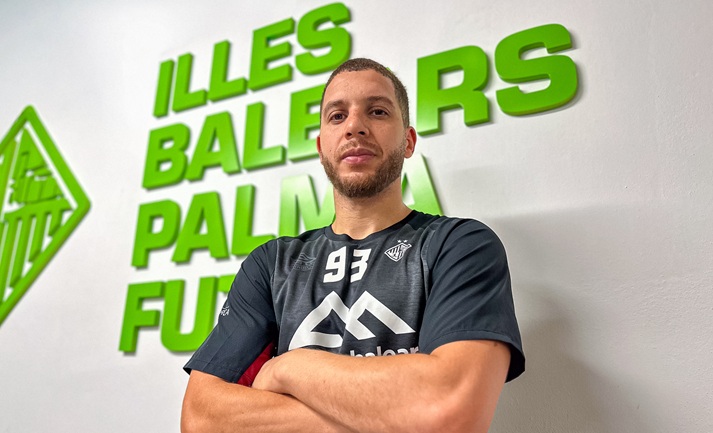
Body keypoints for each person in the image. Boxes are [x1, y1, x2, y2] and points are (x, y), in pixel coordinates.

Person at [181, 58, 525, 433]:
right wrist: (390, 416)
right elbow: (201, 418)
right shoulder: (271, 264)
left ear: (408, 141)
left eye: (377, 111)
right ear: (321, 146)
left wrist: (288, 369)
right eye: (337, 116)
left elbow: (450, 409)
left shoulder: (459, 246)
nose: (354, 127)